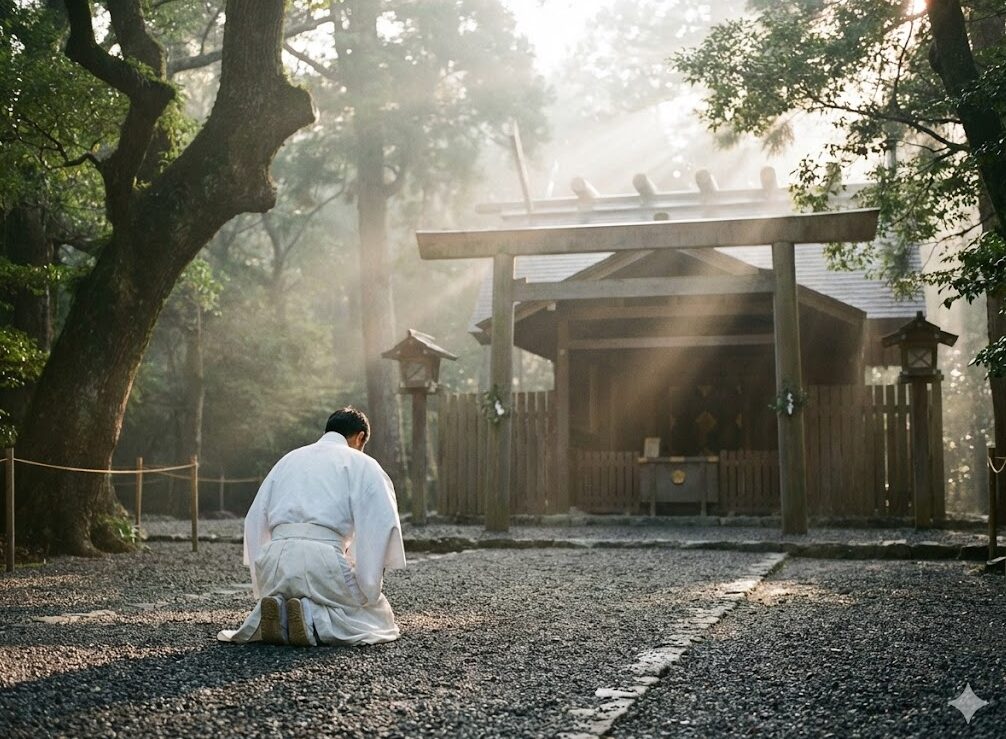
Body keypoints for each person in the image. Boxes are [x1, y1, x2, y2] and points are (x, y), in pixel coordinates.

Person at [217, 407, 406, 647]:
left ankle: (280, 609)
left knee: (294, 590)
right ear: (360, 437)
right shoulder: (362, 463)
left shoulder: (288, 460)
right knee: (372, 612)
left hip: (274, 563)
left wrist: (261, 576)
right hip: (323, 561)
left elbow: (254, 519)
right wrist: (368, 585)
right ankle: (308, 615)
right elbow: (380, 524)